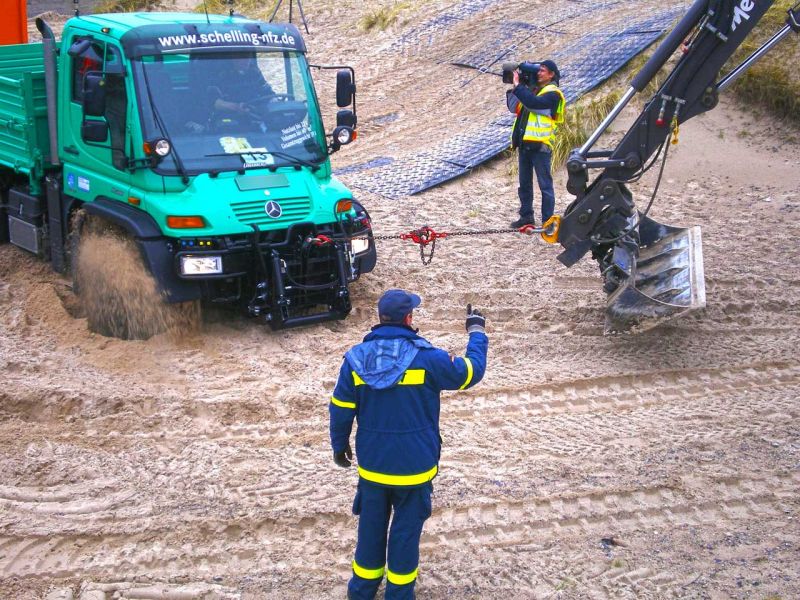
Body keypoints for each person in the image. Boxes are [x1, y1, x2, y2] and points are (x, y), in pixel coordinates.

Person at [329, 289, 489, 600]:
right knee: (404, 534)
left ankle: (361, 591)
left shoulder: (354, 359)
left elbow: (340, 408)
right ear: (409, 319)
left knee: (371, 530)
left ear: (380, 318)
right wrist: (477, 331)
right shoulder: (428, 358)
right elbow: (471, 372)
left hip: (373, 468)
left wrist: (339, 446)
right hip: (415, 468)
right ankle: (399, 594)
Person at [506, 59, 565, 228]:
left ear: (551, 74)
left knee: (545, 185)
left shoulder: (553, 94)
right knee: (524, 184)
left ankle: (548, 221)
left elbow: (534, 104)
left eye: (543, 70)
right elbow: (513, 107)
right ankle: (526, 216)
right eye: (538, 70)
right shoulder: (533, 91)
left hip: (541, 146)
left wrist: (520, 87)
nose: (538, 73)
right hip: (525, 144)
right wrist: (518, 85)